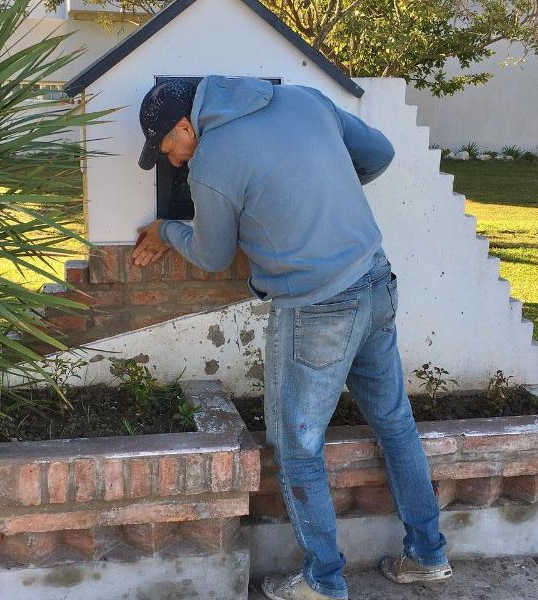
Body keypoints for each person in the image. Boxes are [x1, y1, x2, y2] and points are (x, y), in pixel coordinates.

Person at [131, 76, 451, 600]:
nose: (175, 163)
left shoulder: (212, 164)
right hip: (375, 278)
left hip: (317, 306)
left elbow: (212, 255)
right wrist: (315, 193)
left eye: (170, 149)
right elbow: (380, 153)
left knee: (298, 446)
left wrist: (166, 229)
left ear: (186, 125)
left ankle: (323, 582)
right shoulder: (301, 98)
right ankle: (430, 555)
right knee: (395, 423)